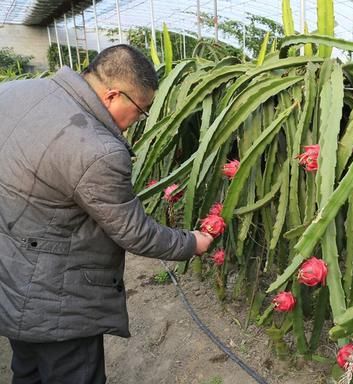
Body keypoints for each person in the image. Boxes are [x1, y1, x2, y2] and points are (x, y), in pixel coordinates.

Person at [0, 44, 214, 383]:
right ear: (114, 96)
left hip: (10, 279)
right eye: (141, 111)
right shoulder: (97, 149)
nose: (137, 123)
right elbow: (134, 232)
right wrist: (193, 243)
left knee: (27, 371)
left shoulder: (13, 92)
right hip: (59, 304)